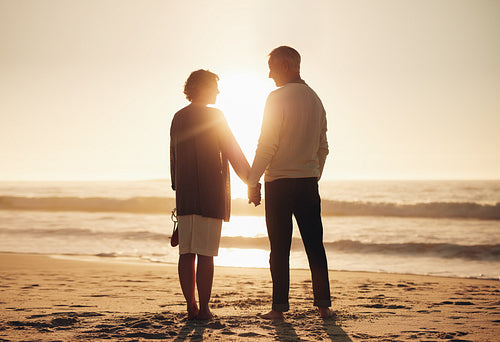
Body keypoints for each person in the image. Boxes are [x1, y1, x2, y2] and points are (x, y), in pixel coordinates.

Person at [247, 46, 334, 319]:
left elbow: (267, 144)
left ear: (286, 65)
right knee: (314, 245)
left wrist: (252, 180)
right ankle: (323, 306)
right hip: (308, 183)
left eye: (272, 66)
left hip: (280, 183)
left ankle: (279, 309)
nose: (269, 73)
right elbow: (324, 147)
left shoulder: (277, 97)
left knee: (280, 248)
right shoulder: (315, 99)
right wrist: (312, 173)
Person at [170, 69, 250, 320]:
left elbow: (173, 157)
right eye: (215, 86)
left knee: (187, 253)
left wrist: (178, 187)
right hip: (209, 194)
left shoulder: (178, 117)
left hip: (185, 195)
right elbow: (232, 150)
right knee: (206, 255)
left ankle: (190, 305)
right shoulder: (216, 116)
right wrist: (251, 181)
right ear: (203, 87)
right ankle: (204, 309)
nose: (218, 91)